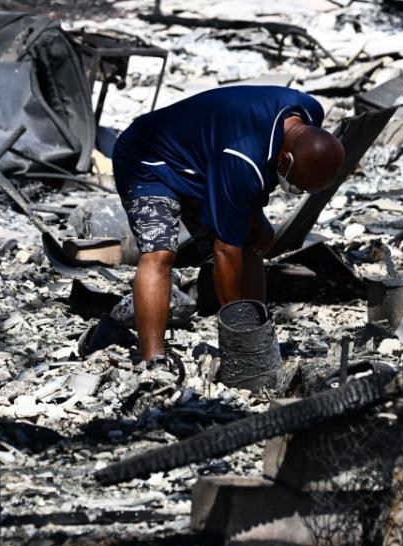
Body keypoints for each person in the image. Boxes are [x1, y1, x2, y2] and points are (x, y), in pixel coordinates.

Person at [111, 85, 345, 369]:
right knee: (160, 252)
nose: (295, 190)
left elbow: (255, 172)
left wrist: (255, 215)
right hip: (148, 160)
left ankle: (260, 333)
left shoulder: (310, 111)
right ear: (286, 159)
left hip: (205, 164)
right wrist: (236, 330)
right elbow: (225, 251)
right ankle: (153, 359)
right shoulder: (242, 157)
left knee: (254, 241)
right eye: (297, 186)